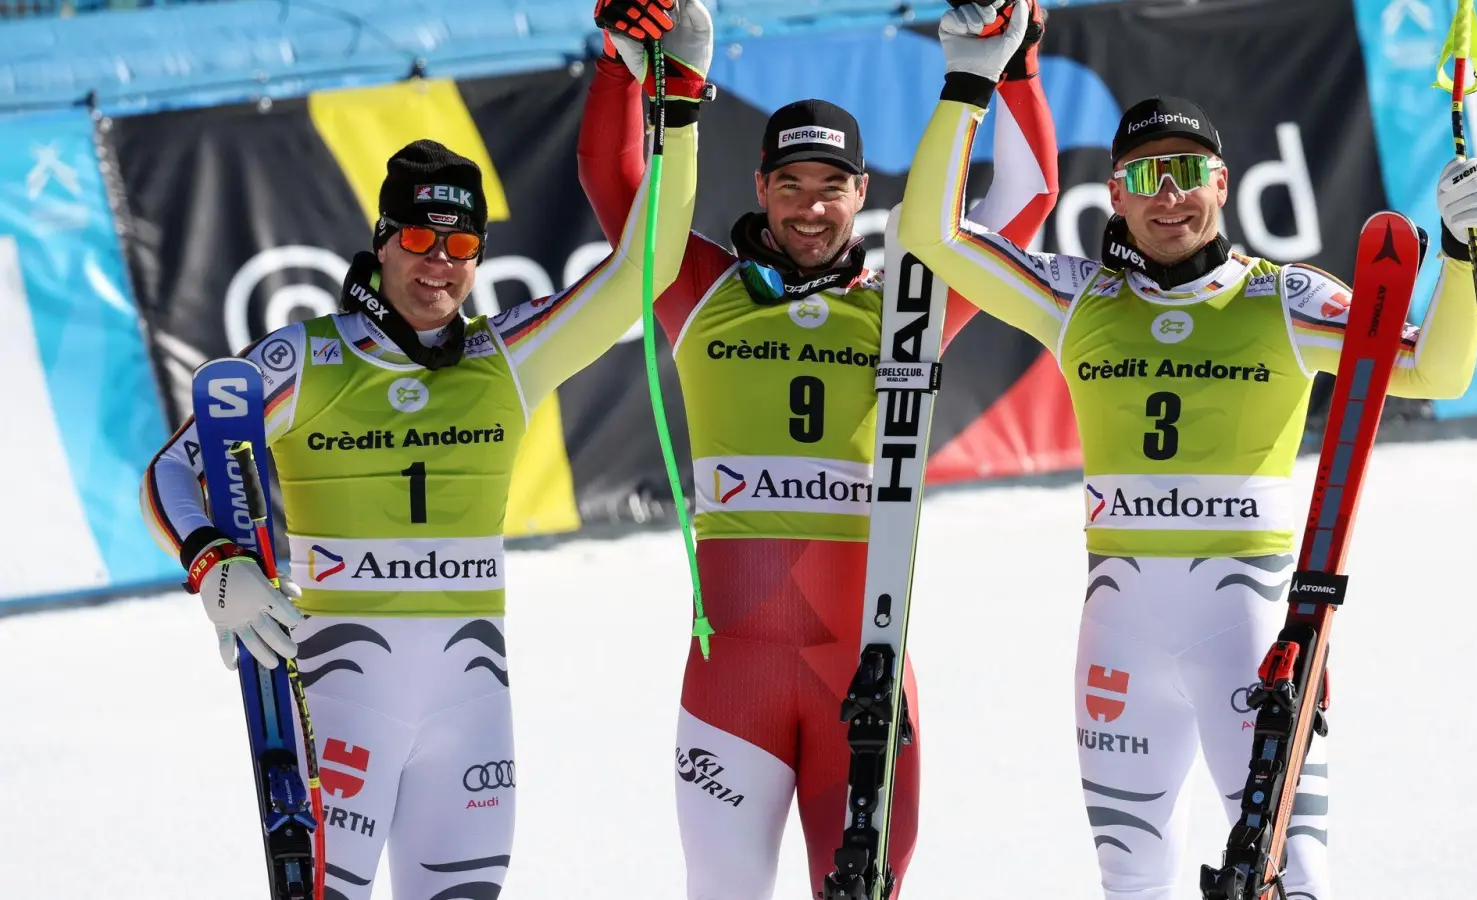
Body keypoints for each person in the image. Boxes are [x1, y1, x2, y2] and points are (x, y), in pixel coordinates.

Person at [897, 2, 1477, 897]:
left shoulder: (1283, 299)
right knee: (1131, 884)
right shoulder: (1078, 298)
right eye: (1143, 177)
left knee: (1295, 880)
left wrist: (1460, 252)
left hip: (1251, 630)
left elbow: (1439, 369)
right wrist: (967, 82)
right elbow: (931, 236)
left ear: (1222, 183)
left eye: (1186, 172)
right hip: (1119, 636)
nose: (1167, 195)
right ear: (1114, 197)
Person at [137, 16, 703, 898]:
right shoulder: (307, 358)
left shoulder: (507, 356)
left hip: (471, 710)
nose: (439, 266)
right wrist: (214, 562)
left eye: (463, 247)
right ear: (382, 236)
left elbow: (652, 262)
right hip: (338, 698)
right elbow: (172, 470)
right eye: (419, 240)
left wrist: (679, 98)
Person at [577, 0, 1058, 896]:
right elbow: (617, 183)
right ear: (758, 186)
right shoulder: (697, 289)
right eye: (790, 185)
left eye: (830, 186)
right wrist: (622, 60)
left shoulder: (906, 306)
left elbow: (1025, 199)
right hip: (733, 687)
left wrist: (1015, 57)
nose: (810, 208)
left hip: (863, 675)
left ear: (862, 193)